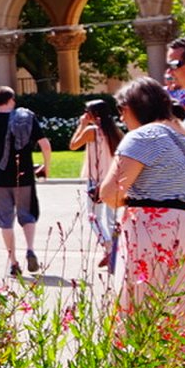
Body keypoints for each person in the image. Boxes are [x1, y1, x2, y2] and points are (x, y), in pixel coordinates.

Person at [98, 77, 185, 312]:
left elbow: (110, 193)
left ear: (131, 107)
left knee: (143, 307)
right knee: (184, 307)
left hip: (154, 231)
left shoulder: (142, 137)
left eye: (121, 110)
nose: (121, 118)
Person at [0, 85, 52, 276]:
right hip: (24, 176)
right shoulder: (26, 118)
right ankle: (30, 248)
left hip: (0, 178)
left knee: (5, 221)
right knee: (27, 215)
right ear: (12, 100)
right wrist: (46, 166)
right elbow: (45, 144)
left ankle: (14, 262)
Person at [71, 97, 123, 270]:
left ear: (93, 114)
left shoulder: (92, 130)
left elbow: (73, 145)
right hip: (113, 179)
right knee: (111, 219)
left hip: (97, 180)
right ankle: (115, 251)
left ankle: (107, 246)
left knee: (93, 217)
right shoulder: (115, 131)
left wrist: (81, 125)